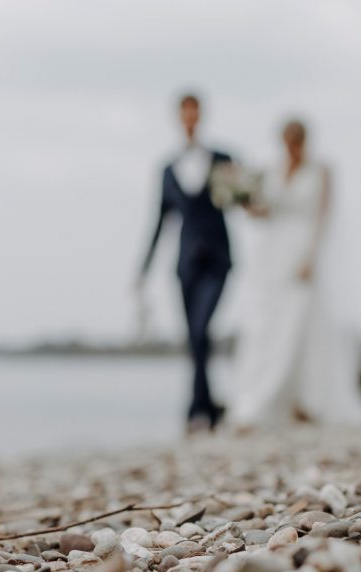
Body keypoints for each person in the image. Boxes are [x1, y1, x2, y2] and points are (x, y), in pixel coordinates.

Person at [232, 119, 361, 428]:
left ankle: (309, 400)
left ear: (305, 141)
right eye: (287, 142)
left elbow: (325, 216)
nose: (291, 148)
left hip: (303, 252)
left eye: (296, 141)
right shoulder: (273, 171)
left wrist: (312, 256)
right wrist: (243, 201)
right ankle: (265, 400)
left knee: (304, 325)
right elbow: (265, 212)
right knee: (268, 326)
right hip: (272, 256)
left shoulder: (321, 170)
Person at [138, 93, 233, 433]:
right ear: (179, 117)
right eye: (185, 113)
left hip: (219, 260)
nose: (190, 118)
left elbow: (240, 201)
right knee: (194, 337)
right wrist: (143, 271)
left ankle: (197, 408)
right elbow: (159, 222)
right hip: (185, 264)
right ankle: (205, 407)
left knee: (200, 329)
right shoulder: (167, 169)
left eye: (195, 112)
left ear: (201, 115)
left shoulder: (223, 159)